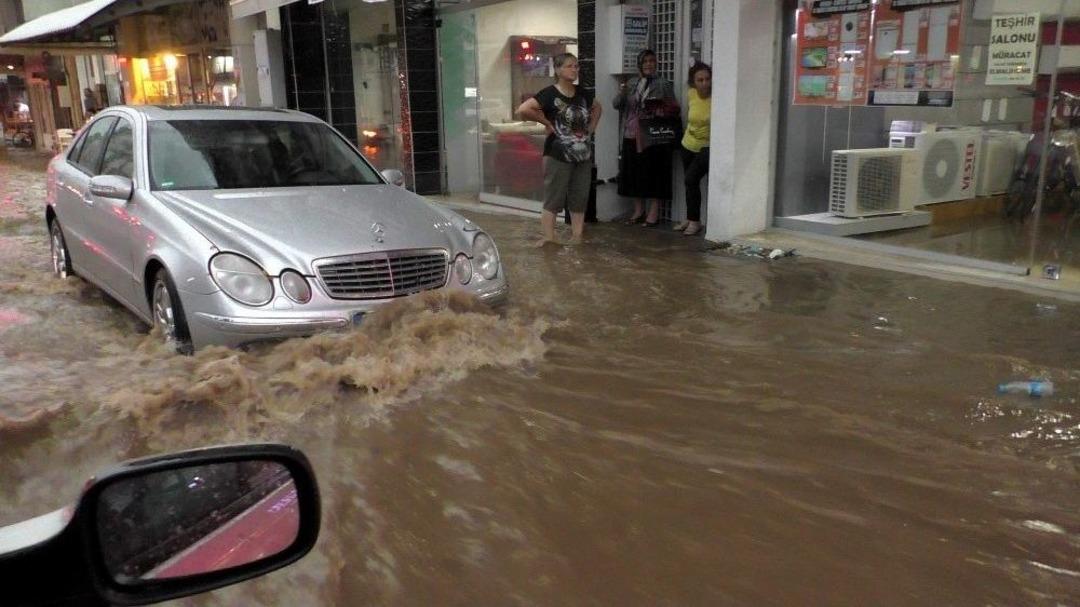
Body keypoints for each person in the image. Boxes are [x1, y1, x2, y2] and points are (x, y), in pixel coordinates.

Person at [515, 53, 601, 245]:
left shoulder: (583, 93)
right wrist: (546, 122)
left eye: (576, 66)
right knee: (554, 197)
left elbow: (598, 108)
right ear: (558, 70)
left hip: (583, 154)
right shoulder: (549, 93)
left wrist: (591, 128)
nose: (575, 69)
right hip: (557, 154)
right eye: (570, 66)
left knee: (580, 197)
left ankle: (577, 237)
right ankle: (549, 237)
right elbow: (523, 109)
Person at [613, 48, 680, 227]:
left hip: (652, 136)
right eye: (645, 61)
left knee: (653, 173)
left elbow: (674, 108)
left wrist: (658, 108)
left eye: (652, 61)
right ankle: (638, 210)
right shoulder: (632, 83)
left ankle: (653, 212)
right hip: (632, 134)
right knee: (634, 173)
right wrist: (622, 91)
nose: (649, 64)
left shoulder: (663, 84)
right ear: (639, 65)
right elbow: (617, 105)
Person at [674, 62, 711, 236]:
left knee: (691, 178)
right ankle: (690, 218)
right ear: (693, 82)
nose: (704, 83)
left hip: (707, 146)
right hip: (688, 144)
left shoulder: (716, 97)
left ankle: (695, 222)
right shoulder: (691, 94)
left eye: (707, 79)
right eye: (700, 80)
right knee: (690, 184)